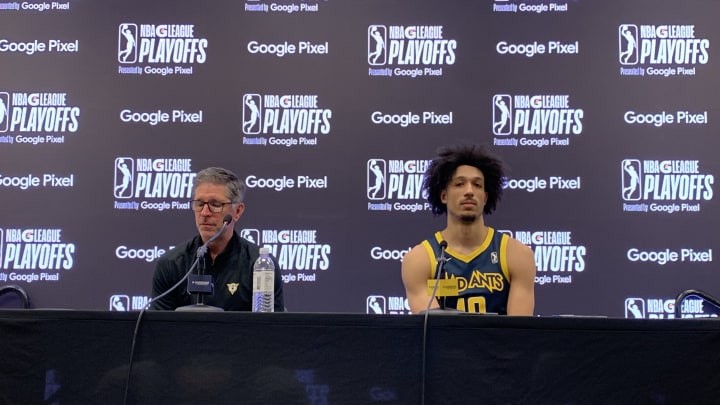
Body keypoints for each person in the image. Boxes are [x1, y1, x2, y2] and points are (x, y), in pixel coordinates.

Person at [401, 144, 535, 315]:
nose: (469, 191)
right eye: (459, 184)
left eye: (477, 185)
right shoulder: (420, 259)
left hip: (499, 342)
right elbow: (433, 332)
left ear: (485, 197)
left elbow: (518, 334)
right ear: (444, 196)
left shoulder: (516, 254)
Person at [150, 167, 284, 311]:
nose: (205, 213)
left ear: (237, 211)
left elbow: (271, 328)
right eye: (200, 204)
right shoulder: (172, 264)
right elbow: (159, 329)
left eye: (215, 205)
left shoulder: (259, 265)